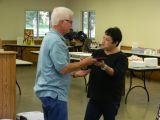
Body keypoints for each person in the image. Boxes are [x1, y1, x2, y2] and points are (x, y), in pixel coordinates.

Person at [33, 7, 97, 120]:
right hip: (54, 93)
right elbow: (63, 68)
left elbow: (53, 67)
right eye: (70, 22)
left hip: (48, 92)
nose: (71, 26)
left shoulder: (50, 37)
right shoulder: (56, 41)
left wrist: (75, 73)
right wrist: (84, 63)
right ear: (62, 22)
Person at [84, 27, 128, 120]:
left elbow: (116, 74)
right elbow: (88, 68)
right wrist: (81, 67)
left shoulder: (121, 58)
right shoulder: (98, 52)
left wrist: (103, 66)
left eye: (107, 40)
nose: (103, 41)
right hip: (95, 97)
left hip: (111, 99)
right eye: (103, 38)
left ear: (115, 43)